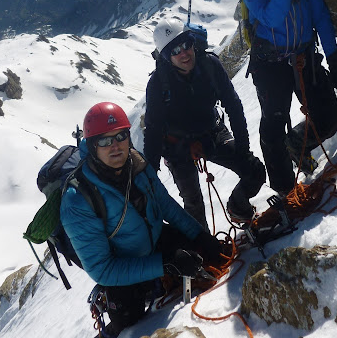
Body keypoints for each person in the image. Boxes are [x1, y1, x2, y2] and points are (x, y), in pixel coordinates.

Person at [60, 101, 222, 337]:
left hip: (153, 241)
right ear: (92, 146)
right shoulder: (78, 200)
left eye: (121, 136)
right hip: (121, 265)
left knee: (196, 252)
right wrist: (164, 264)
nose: (115, 146)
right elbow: (102, 269)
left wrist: (200, 235)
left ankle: (160, 281)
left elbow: (166, 206)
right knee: (129, 320)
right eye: (105, 140)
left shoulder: (136, 163)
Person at [241, 0, 337, 197]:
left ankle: (296, 145)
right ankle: (286, 192)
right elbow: (271, 18)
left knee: (330, 119)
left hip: (303, 56)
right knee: (272, 129)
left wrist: (333, 55)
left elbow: (320, 15)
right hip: (269, 63)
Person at [144, 16, 266, 228]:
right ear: (166, 56)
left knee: (254, 170)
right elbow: (153, 131)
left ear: (193, 43)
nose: (184, 53)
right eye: (175, 50)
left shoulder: (210, 65)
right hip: (176, 146)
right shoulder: (157, 84)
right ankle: (204, 252)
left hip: (212, 133)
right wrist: (150, 177)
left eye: (186, 44)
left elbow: (233, 106)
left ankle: (238, 208)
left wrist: (243, 149)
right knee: (194, 205)